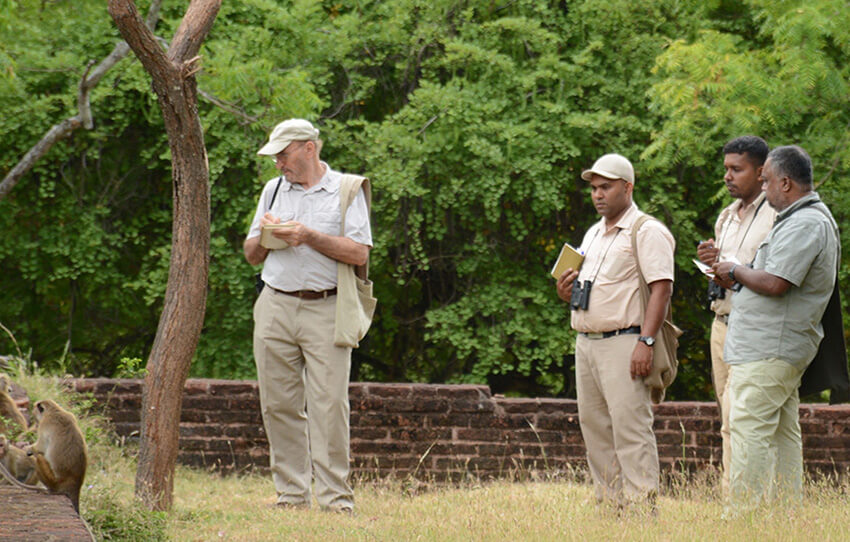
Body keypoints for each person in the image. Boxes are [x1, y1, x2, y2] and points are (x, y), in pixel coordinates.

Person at [244, 118, 372, 513]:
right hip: (275, 304)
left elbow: (359, 254)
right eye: (276, 157)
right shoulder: (273, 189)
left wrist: (307, 236)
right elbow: (250, 255)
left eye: (283, 155)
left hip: (327, 307)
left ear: (308, 148)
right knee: (278, 403)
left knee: (329, 405)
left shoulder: (347, 190)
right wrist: (267, 237)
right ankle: (291, 495)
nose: (278, 164)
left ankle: (336, 500)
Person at [713, 145, 839, 514]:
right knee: (783, 434)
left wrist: (734, 271)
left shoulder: (806, 223)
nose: (763, 190)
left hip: (772, 347)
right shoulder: (800, 219)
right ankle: (784, 518)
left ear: (785, 182)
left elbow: (775, 282)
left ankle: (742, 520)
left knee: (747, 427)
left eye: (766, 182)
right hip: (773, 346)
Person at [556, 153, 675, 508]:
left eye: (606, 187)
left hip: (625, 340)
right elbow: (584, 287)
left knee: (630, 429)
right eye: (593, 188)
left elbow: (662, 288)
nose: (598, 195)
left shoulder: (647, 230)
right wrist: (564, 292)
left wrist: (646, 340)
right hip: (587, 341)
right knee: (594, 429)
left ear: (628, 187)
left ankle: (641, 510)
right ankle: (610, 507)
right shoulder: (594, 233)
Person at [696, 136, 776, 493]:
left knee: (743, 418)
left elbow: (772, 273)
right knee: (726, 418)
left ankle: (743, 498)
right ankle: (734, 494)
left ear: (761, 172)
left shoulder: (776, 214)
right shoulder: (726, 217)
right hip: (722, 322)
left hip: (755, 328)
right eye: (726, 169)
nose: (728, 176)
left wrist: (735, 269)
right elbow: (727, 272)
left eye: (736, 169)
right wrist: (712, 261)